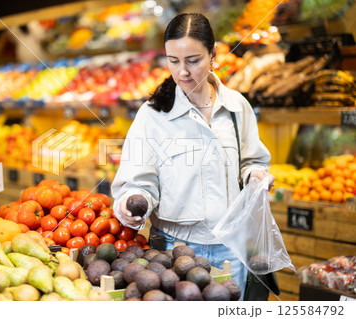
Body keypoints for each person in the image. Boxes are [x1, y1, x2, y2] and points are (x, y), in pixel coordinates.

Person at [111, 13, 275, 298]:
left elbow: (252, 160)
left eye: (193, 60)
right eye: (173, 61)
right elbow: (139, 183)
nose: (182, 72)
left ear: (213, 55)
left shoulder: (237, 107)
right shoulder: (152, 115)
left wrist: (254, 174)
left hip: (232, 250)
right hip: (174, 255)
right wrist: (130, 203)